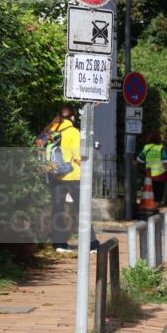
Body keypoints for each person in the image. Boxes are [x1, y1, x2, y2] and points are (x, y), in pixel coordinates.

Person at [38, 107, 98, 253]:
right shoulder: (73, 132)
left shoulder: (50, 130)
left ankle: (59, 244)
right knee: (82, 209)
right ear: (72, 118)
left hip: (54, 174)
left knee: (57, 208)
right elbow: (78, 156)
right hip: (72, 175)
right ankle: (91, 244)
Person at [137, 133, 167, 206]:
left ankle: (150, 206)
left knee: (149, 191)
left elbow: (139, 160)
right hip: (160, 175)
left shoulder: (146, 148)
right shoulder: (161, 148)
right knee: (158, 193)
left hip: (149, 175)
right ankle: (156, 207)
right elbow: (165, 162)